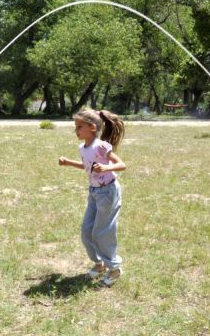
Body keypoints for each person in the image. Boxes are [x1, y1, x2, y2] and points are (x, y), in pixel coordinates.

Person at [58, 108, 127, 286]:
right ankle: (99, 264)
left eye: (79, 127)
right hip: (95, 192)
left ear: (92, 128)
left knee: (101, 232)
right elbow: (87, 165)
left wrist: (106, 168)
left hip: (108, 191)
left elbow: (121, 165)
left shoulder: (101, 146)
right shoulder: (83, 147)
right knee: (87, 230)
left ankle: (114, 268)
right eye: (76, 127)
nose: (76, 131)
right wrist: (69, 163)